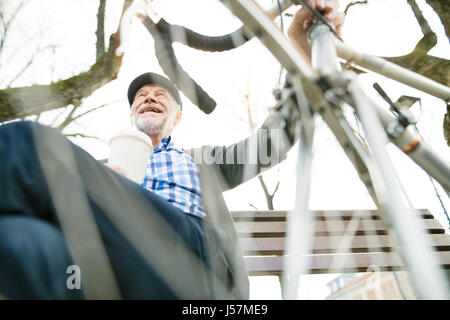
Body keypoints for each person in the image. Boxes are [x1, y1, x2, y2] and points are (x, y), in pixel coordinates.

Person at [0, 0, 344, 299]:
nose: (148, 97)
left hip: (192, 268)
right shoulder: (101, 170)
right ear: (132, 113)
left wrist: (299, 52)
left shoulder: (201, 162)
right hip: (108, 269)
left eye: (159, 94)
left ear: (177, 118)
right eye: (140, 97)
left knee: (29, 147)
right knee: (17, 240)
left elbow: (273, 144)